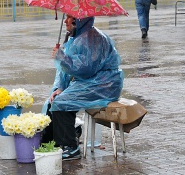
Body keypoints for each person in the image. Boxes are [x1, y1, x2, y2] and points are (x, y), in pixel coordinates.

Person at [41, 15, 124, 160]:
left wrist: (63, 58)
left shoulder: (93, 38)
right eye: (66, 17)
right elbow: (64, 70)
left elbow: (86, 68)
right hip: (90, 81)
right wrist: (59, 87)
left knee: (62, 102)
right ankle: (50, 142)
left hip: (104, 84)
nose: (66, 21)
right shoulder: (75, 38)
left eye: (69, 18)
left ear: (78, 20)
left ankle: (70, 147)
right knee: (54, 100)